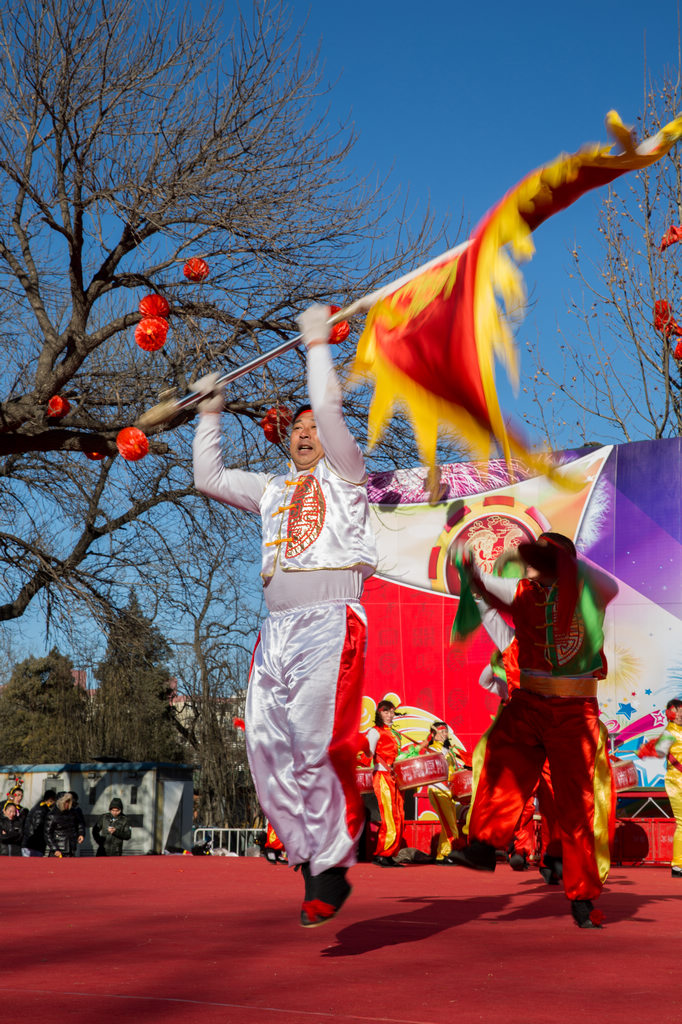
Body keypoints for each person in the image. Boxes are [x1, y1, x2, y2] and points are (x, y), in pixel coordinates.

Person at [193, 304, 377, 927]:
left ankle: (330, 867)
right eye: (296, 429)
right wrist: (211, 410)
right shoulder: (270, 490)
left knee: (313, 744)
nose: (306, 433)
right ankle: (307, 855)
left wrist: (317, 345)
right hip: (275, 631)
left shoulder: (348, 476)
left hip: (330, 619)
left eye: (314, 428)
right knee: (265, 747)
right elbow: (207, 475)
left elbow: (329, 410)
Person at [450, 532, 619, 929]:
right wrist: (471, 567)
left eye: (541, 558)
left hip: (573, 713)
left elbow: (608, 584)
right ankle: (484, 844)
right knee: (498, 763)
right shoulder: (521, 589)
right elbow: (485, 585)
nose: (530, 565)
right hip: (528, 704)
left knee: (576, 806)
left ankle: (582, 896)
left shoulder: (588, 591)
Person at [638, 698, 682, 878]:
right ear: (671, 713)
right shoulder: (670, 732)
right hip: (677, 781)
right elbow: (661, 752)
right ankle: (678, 865)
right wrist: (648, 749)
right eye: (678, 711)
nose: (680, 715)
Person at [365, 700, 405, 866]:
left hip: (395, 778)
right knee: (389, 815)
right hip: (382, 776)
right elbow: (368, 753)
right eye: (385, 711)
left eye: (391, 712)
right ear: (379, 713)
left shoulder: (395, 733)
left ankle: (390, 853)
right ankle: (382, 854)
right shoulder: (375, 732)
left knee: (399, 815)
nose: (389, 715)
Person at [45, 792, 85, 857]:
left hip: (71, 848)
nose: (68, 804)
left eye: (69, 802)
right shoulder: (52, 815)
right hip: (59, 849)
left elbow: (80, 823)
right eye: (66, 802)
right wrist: (55, 849)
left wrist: (81, 834)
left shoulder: (73, 812)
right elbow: (47, 834)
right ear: (61, 802)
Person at [22, 789, 57, 857]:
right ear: (50, 800)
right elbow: (38, 828)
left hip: (32, 844)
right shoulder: (41, 811)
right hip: (34, 845)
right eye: (53, 801)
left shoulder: (39, 808)